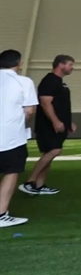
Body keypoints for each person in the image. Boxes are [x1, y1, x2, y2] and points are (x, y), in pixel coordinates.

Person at [20, 54, 75, 196]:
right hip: (48, 125)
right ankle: (30, 182)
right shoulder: (49, 81)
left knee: (49, 153)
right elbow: (45, 103)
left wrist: (69, 122)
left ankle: (39, 185)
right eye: (70, 65)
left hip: (59, 125)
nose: (72, 68)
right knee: (54, 151)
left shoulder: (60, 82)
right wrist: (55, 121)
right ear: (61, 65)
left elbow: (60, 105)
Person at [0, 49, 38, 228]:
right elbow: (30, 110)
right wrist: (22, 124)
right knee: (11, 171)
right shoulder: (23, 82)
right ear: (19, 63)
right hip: (11, 137)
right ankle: (1, 214)